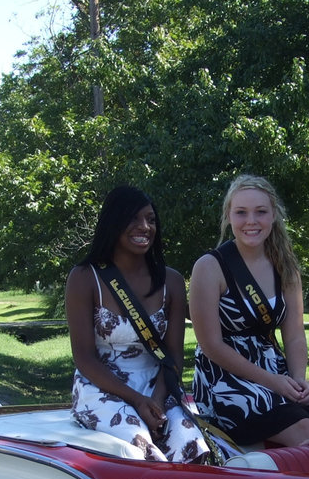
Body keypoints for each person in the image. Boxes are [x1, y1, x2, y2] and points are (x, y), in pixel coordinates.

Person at [189, 175, 309, 447]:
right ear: (229, 217)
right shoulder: (210, 267)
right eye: (241, 212)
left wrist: (298, 380)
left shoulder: (286, 267)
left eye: (261, 212)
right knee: (305, 432)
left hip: (277, 371)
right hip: (225, 378)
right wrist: (274, 383)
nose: (251, 221)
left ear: (274, 216)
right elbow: (211, 345)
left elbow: (294, 335)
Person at [65, 186, 209, 463]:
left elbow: (174, 357)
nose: (144, 227)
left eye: (151, 220)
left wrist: (155, 400)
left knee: (192, 445)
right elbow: (83, 357)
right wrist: (137, 401)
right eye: (133, 219)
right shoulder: (84, 277)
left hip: (158, 388)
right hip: (101, 387)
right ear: (113, 223)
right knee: (141, 445)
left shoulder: (173, 282)